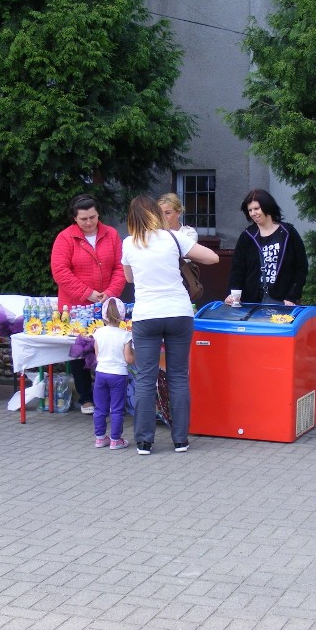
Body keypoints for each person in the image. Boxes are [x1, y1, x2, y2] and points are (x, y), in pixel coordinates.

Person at [121, 195, 219, 455]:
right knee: (177, 376)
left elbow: (129, 278)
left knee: (145, 378)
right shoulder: (174, 238)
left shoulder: (129, 243)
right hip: (178, 313)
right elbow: (212, 258)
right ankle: (180, 440)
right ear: (156, 213)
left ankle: (144, 442)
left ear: (132, 219)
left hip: (146, 316)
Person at [51, 193, 126, 414]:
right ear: (75, 218)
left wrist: (110, 293)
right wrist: (87, 293)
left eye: (92, 217)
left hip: (107, 304)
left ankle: (110, 396)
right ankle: (86, 398)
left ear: (98, 214)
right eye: (83, 219)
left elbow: (121, 268)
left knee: (109, 348)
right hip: (76, 304)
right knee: (81, 350)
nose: (89, 222)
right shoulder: (65, 238)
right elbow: (60, 272)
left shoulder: (111, 234)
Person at [225, 188, 308, 306]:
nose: (253, 213)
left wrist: (292, 297)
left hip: (282, 302)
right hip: (252, 303)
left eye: (256, 208)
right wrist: (232, 295)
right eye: (250, 210)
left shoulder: (288, 233)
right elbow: (237, 270)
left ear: (267, 206)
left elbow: (301, 268)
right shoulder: (247, 236)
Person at [92, 297, 135, 451]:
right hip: (118, 375)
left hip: (101, 373)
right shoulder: (125, 335)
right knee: (116, 409)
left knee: (100, 408)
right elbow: (129, 358)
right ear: (123, 315)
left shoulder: (98, 333)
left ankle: (100, 438)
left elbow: (97, 355)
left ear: (103, 315)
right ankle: (116, 440)